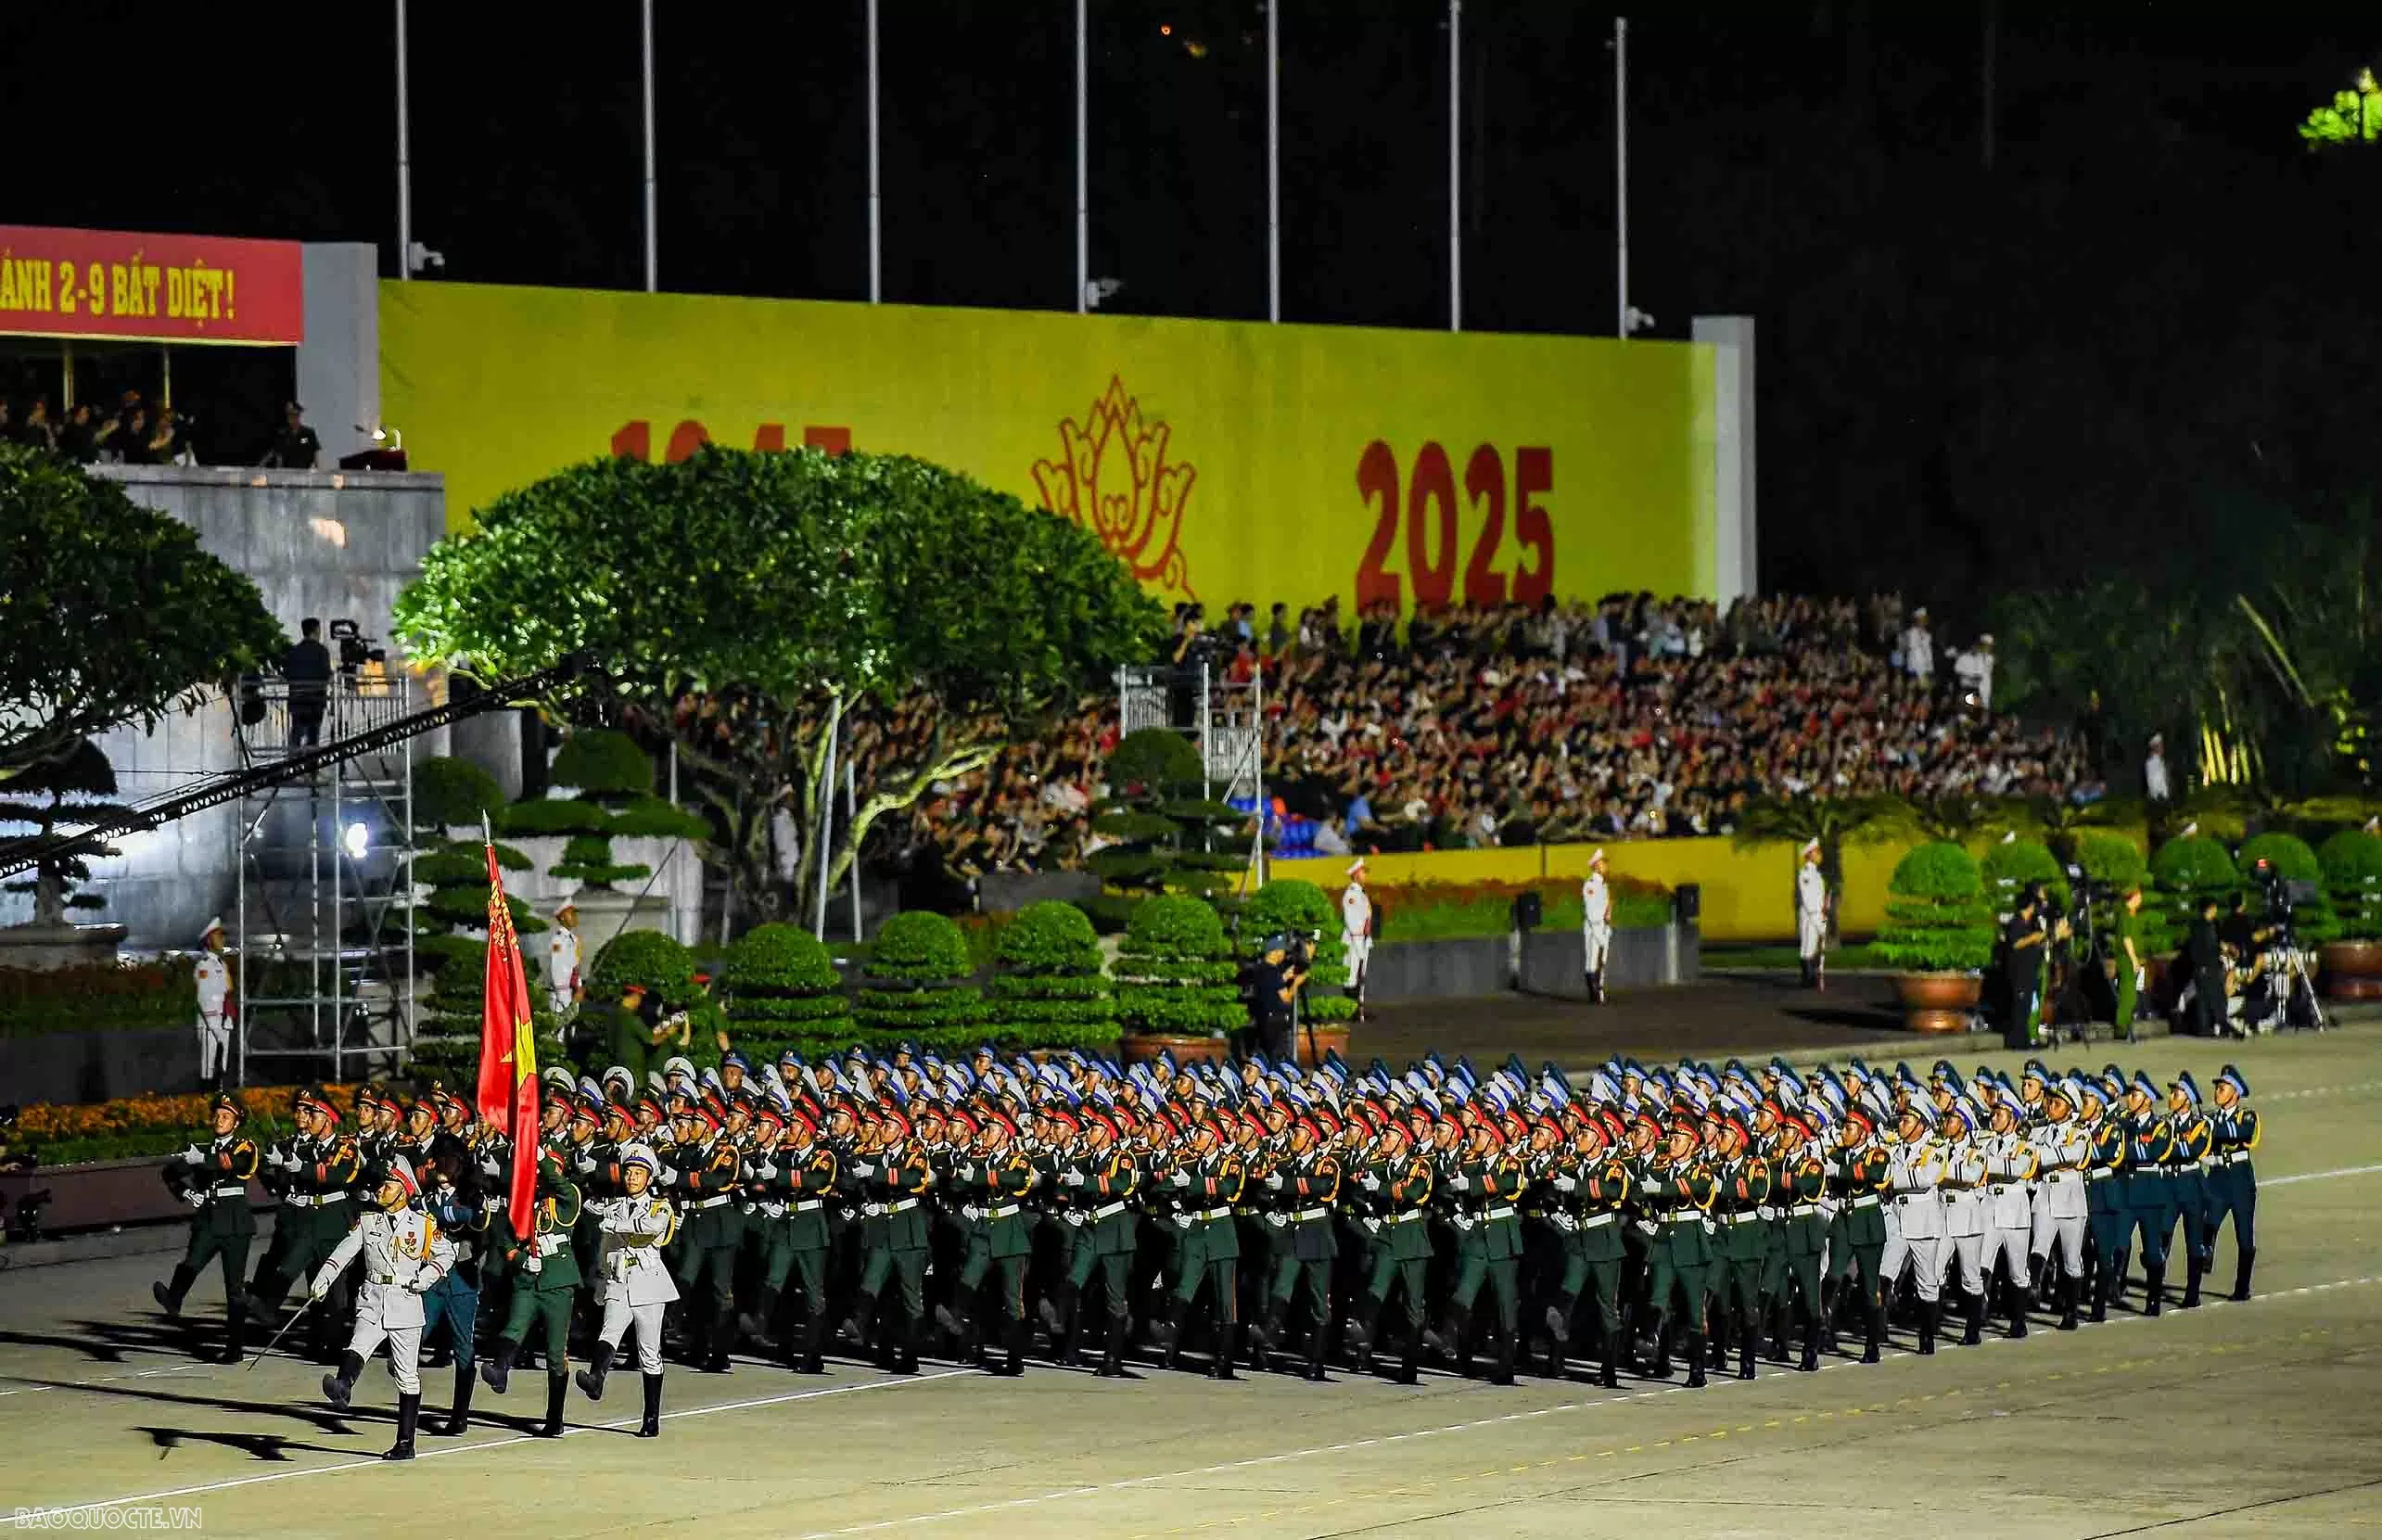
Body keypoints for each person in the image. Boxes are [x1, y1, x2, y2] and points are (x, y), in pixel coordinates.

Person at [312, 1154, 452, 1461]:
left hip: (405, 1300)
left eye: (388, 1186)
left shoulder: (423, 1225)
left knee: (406, 1375)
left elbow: (446, 1255)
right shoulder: (368, 1221)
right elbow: (343, 1253)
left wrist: (426, 1278)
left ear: (403, 1190)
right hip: (374, 1296)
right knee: (358, 1343)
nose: (381, 1191)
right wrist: (323, 1279)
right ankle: (343, 1385)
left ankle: (405, 1443)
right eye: (381, 1185)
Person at [152, 1092, 262, 1363]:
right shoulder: (202, 1148)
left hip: (235, 1222)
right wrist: (188, 1193)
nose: (219, 1119)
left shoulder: (244, 1146)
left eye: (226, 1116)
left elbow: (233, 1163)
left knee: (234, 1288)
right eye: (217, 1115)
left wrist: (199, 1158)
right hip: (209, 1219)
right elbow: (169, 1174)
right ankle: (174, 1298)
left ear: (236, 1123)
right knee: (191, 1263)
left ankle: (235, 1348)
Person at [577, 1141, 677, 1437]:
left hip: (649, 1284)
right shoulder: (615, 1206)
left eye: (639, 1173)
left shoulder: (661, 1206)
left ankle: (650, 1418)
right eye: (629, 1172)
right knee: (608, 1331)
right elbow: (606, 1247)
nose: (633, 1177)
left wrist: (615, 1223)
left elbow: (649, 1228)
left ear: (649, 1178)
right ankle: (596, 1379)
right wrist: (601, 1279)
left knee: (649, 1353)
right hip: (619, 1279)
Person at [193, 918, 235, 1092]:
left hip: (223, 1018)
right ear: (208, 940)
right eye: (218, 936)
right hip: (211, 1020)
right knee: (209, 1063)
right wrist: (212, 1024)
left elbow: (228, 989)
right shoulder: (205, 965)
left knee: (222, 1061)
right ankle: (205, 1097)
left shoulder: (220, 963)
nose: (222, 940)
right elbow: (203, 996)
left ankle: (219, 1094)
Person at [283, 618, 334, 749]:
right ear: (316, 630)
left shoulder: (294, 651)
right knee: (313, 736)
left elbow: (287, 674)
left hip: (297, 700)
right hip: (315, 701)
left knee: (296, 733)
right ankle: (312, 764)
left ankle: (292, 763)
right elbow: (325, 674)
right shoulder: (322, 651)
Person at [2185, 896, 2228, 1037]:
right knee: (2204, 998)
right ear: (2210, 908)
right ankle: (2204, 1027)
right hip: (2204, 966)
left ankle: (2219, 1024)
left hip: (2214, 964)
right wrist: (2200, 964)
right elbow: (2196, 948)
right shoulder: (2199, 927)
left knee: (2218, 996)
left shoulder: (2214, 924)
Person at [1339, 860, 1374, 1019]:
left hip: (1362, 939)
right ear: (1355, 874)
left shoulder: (1360, 893)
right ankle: (1351, 1011)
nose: (1365, 875)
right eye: (1362, 872)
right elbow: (1352, 921)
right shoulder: (1352, 894)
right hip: (1354, 941)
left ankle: (1358, 1010)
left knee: (1360, 976)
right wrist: (1359, 944)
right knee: (1351, 976)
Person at [1581, 848, 1614, 1004]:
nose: (1606, 865)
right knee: (1592, 961)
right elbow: (1591, 911)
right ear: (1596, 865)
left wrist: (1607, 924)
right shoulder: (1591, 885)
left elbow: (1606, 907)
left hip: (1603, 926)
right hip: (1593, 928)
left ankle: (1599, 991)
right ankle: (1593, 993)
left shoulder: (1603, 885)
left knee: (1603, 960)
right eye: (1603, 863)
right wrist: (1599, 932)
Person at [1794, 839, 1829, 988]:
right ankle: (1807, 978)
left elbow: (1820, 896)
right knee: (1807, 946)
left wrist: (1824, 909)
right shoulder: (1805, 873)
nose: (1820, 855)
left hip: (1818, 914)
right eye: (1817, 852)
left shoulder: (1817, 873)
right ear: (1809, 854)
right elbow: (1809, 900)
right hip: (1810, 916)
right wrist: (1818, 918)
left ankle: (1810, 976)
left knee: (1814, 946)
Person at [2113, 887, 2146, 1041]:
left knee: (2131, 992)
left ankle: (2125, 1024)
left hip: (2132, 958)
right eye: (2139, 897)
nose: (2141, 900)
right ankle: (2121, 1025)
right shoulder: (2124, 915)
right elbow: (2126, 938)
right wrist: (2133, 959)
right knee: (2128, 994)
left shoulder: (2132, 915)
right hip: (2126, 959)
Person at [547, 900, 583, 1020]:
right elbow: (556, 967)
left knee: (572, 1029)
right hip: (562, 993)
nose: (574, 917)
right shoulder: (558, 941)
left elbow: (575, 966)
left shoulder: (574, 939)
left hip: (574, 991)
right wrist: (562, 994)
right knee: (560, 1031)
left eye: (575, 914)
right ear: (562, 918)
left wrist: (579, 987)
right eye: (570, 914)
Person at [262, 401, 322, 469]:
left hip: (304, 472)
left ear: (299, 416)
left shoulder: (308, 433)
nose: (293, 419)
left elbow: (315, 453)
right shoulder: (282, 434)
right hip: (288, 473)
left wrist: (318, 471)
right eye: (290, 416)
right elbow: (278, 455)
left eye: (296, 416)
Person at [2144, 733, 2172, 805]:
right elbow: (2153, 784)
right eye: (2160, 746)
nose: (2163, 748)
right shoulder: (2152, 763)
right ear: (2155, 748)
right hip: (2158, 801)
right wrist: (2160, 797)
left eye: (2162, 745)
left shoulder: (2161, 761)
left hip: (2163, 799)